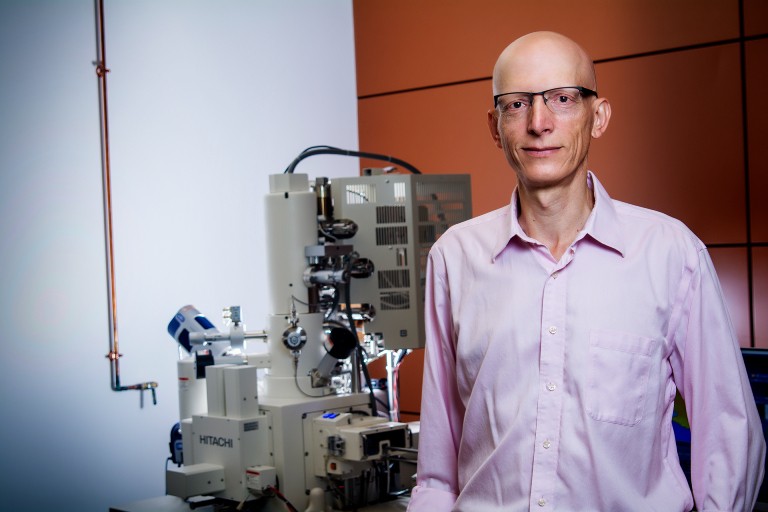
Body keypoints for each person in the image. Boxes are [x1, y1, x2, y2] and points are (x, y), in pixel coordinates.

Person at [407, 31, 766, 512]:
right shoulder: (454, 258)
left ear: (598, 117)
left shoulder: (670, 253)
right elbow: (436, 465)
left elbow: (729, 434)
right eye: (516, 105)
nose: (539, 123)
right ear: (495, 127)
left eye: (563, 99)